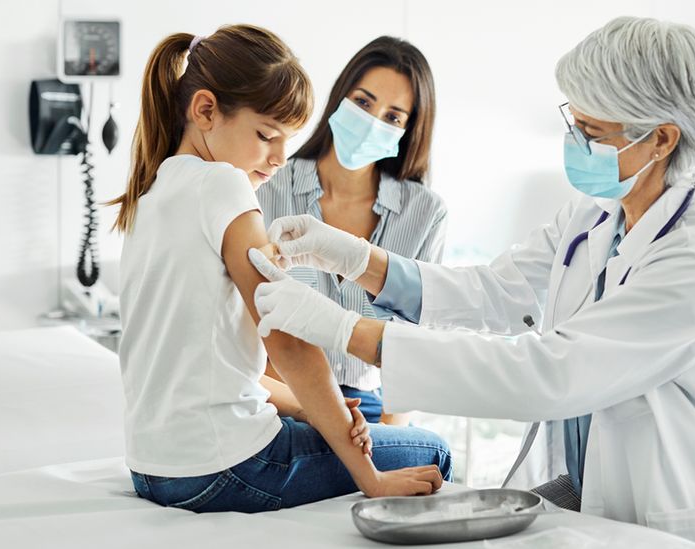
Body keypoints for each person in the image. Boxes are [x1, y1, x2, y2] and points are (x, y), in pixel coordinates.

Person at [248, 16, 695, 548]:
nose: (573, 140)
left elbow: (547, 373)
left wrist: (343, 328)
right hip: (597, 490)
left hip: (693, 513)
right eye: (575, 120)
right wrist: (353, 257)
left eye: (592, 131)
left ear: (662, 139)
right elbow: (492, 292)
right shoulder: (596, 213)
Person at [108, 24, 450, 513]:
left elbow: (205, 362)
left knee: (349, 428)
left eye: (287, 140)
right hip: (226, 464)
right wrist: (370, 478)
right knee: (432, 450)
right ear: (205, 110)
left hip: (154, 470)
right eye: (268, 136)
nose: (277, 158)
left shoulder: (152, 193)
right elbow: (286, 336)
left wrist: (307, 408)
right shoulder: (225, 185)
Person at [256, 36, 444, 426]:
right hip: (277, 397)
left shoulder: (425, 213)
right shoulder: (268, 185)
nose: (372, 122)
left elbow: (417, 345)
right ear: (340, 99)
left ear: (408, 130)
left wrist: (388, 441)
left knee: (432, 457)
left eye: (393, 117)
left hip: (368, 407)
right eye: (363, 102)